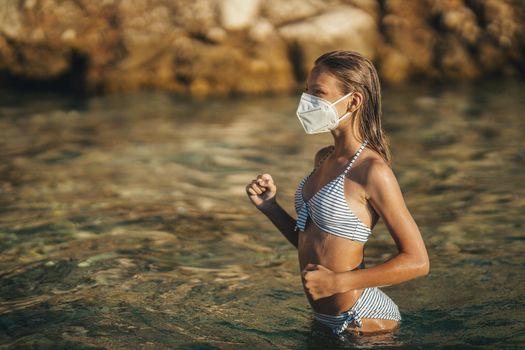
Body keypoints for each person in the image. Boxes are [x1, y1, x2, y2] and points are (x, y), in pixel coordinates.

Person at [245, 50, 429, 336]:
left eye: (318, 92)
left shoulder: (372, 171)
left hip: (365, 323)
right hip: (326, 322)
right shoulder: (323, 158)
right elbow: (314, 245)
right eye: (307, 91)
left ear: (353, 101)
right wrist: (270, 207)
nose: (307, 102)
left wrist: (337, 283)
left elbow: (418, 261)